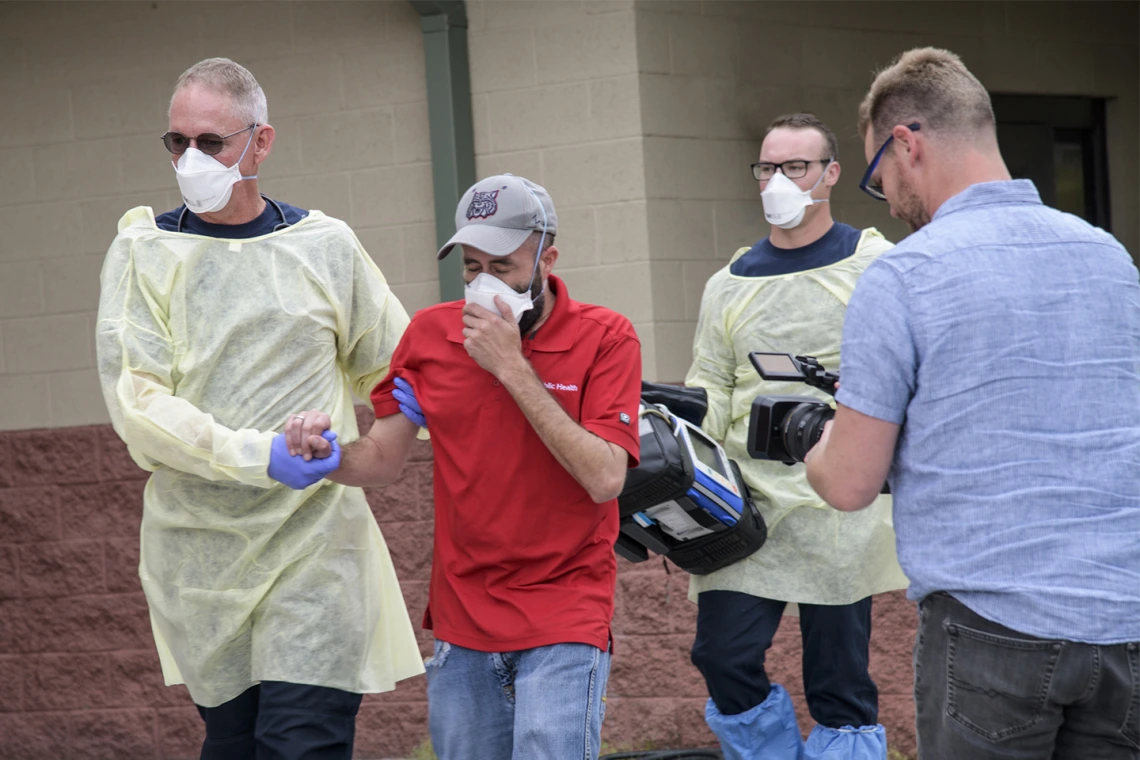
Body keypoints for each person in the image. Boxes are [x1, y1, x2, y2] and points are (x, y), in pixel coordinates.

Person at [805, 47, 1140, 760]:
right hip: (1125, 623)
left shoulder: (904, 276)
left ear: (907, 144)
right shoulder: (1109, 257)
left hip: (991, 627)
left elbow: (849, 483)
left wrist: (817, 441)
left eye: (879, 178)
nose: (889, 200)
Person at [95, 57, 423, 760]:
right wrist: (259, 456)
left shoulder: (325, 248)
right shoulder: (144, 255)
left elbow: (400, 367)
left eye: (209, 142)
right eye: (175, 142)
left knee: (301, 744)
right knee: (235, 746)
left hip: (315, 549)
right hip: (202, 560)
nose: (190, 159)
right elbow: (140, 406)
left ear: (260, 142)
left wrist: (374, 453)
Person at [284, 174, 643, 760]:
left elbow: (605, 477)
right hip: (463, 618)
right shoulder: (429, 336)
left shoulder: (606, 337)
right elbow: (382, 460)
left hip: (565, 610)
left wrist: (511, 367)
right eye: (472, 267)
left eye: (502, 267)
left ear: (547, 258)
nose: (483, 284)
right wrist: (328, 457)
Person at [685, 113, 909, 760]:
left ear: (831, 174)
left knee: (839, 683)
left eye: (796, 167)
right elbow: (710, 388)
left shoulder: (877, 267)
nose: (778, 180)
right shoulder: (729, 284)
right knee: (721, 655)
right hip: (746, 499)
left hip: (839, 499)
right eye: (768, 168)